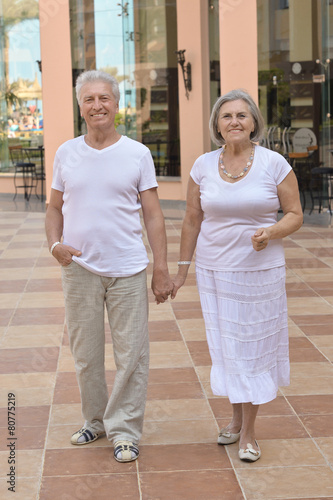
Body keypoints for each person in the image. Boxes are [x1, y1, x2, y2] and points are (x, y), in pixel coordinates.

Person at [45, 70, 173, 463]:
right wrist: (54, 244)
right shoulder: (66, 152)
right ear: (80, 106)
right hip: (79, 267)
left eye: (104, 98)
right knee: (85, 353)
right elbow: (53, 207)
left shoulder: (137, 153)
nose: (97, 105)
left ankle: (125, 430)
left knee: (132, 353)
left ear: (117, 105)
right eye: (89, 99)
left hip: (128, 269)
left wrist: (161, 268)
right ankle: (95, 420)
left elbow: (153, 215)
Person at [171, 89, 303, 462]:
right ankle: (233, 418)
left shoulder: (273, 163)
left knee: (253, 348)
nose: (234, 122)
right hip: (215, 271)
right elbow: (192, 220)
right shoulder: (202, 165)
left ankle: (248, 432)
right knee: (228, 348)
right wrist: (182, 270)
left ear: (253, 122)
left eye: (241, 115)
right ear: (217, 124)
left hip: (259, 272)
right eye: (227, 116)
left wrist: (270, 233)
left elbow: (295, 213)